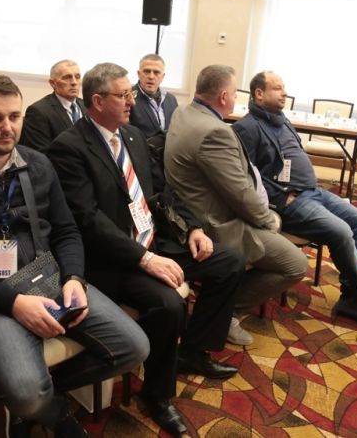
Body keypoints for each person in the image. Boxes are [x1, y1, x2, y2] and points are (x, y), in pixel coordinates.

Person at [0, 75, 149, 437]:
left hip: (50, 277)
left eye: (15, 116)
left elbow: (67, 231)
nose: (7, 127)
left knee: (135, 348)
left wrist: (74, 278)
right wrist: (14, 304)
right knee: (27, 395)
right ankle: (50, 411)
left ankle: (35, 397)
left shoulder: (39, 163)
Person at [47, 62, 244, 437]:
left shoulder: (133, 136)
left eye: (130, 94)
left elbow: (161, 193)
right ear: (97, 101)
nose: (132, 101)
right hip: (111, 258)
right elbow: (88, 220)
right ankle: (157, 396)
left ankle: (193, 350)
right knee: (168, 304)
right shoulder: (69, 148)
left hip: (152, 239)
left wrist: (192, 228)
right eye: (123, 95)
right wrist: (145, 259)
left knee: (229, 261)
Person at [233, 71, 357, 327]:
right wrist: (280, 198)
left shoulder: (281, 120)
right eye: (277, 88)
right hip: (290, 201)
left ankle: (351, 296)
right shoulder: (247, 128)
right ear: (259, 94)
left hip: (312, 192)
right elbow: (244, 176)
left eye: (284, 87)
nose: (285, 92)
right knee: (341, 231)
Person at [164, 65, 308, 336]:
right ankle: (224, 311)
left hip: (190, 211)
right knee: (296, 264)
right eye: (234, 93)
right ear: (223, 96)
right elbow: (240, 194)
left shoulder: (183, 112)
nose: (235, 99)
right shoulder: (214, 132)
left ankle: (221, 302)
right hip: (216, 225)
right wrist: (268, 221)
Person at [20, 60, 87, 152]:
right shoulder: (39, 111)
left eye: (77, 77)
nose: (74, 82)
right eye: (67, 77)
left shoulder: (87, 106)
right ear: (52, 83)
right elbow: (41, 154)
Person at [129, 54, 178, 137]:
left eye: (156, 72)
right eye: (147, 71)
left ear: (162, 77)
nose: (151, 77)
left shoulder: (171, 100)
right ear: (138, 74)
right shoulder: (128, 98)